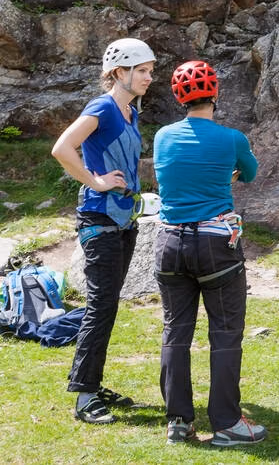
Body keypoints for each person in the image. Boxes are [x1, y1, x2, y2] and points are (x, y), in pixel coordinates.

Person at [152, 60, 265, 446]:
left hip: (169, 244)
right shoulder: (232, 139)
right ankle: (227, 423)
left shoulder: (162, 137)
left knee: (175, 331)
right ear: (215, 93)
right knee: (225, 331)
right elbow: (250, 173)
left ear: (178, 97)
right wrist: (227, 173)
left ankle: (178, 422)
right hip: (216, 247)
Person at [51, 37, 155, 424]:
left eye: (149, 71)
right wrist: (95, 182)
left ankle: (91, 384)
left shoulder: (130, 112)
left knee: (107, 306)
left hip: (123, 219)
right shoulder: (103, 107)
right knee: (101, 306)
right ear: (118, 72)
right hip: (99, 218)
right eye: (141, 70)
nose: (148, 77)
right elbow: (63, 148)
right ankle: (84, 396)